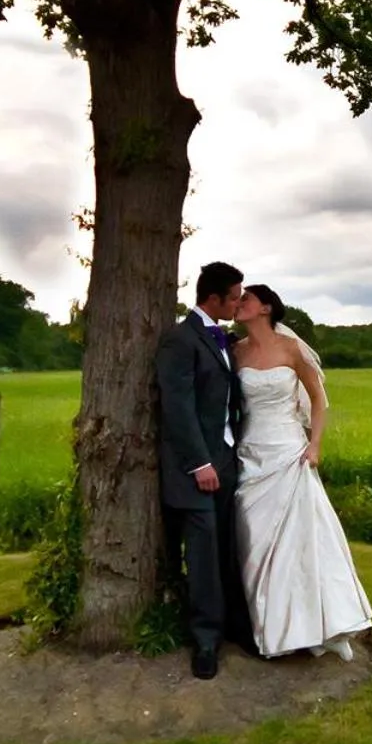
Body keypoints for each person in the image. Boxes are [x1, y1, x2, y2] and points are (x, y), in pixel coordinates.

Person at [232, 283, 372, 660]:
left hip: (290, 453)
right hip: (252, 454)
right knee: (257, 544)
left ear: (265, 308)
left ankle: (323, 625)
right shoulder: (235, 352)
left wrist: (315, 444)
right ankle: (275, 628)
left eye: (246, 299)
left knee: (306, 540)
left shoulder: (291, 350)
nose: (239, 303)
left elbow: (318, 399)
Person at [155, 261, 253, 679]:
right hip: (196, 469)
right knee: (203, 554)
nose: (239, 302)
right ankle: (206, 640)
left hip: (227, 460)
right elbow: (176, 407)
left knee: (229, 546)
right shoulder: (180, 340)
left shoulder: (223, 340)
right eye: (234, 297)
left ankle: (234, 627)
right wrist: (200, 463)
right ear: (212, 299)